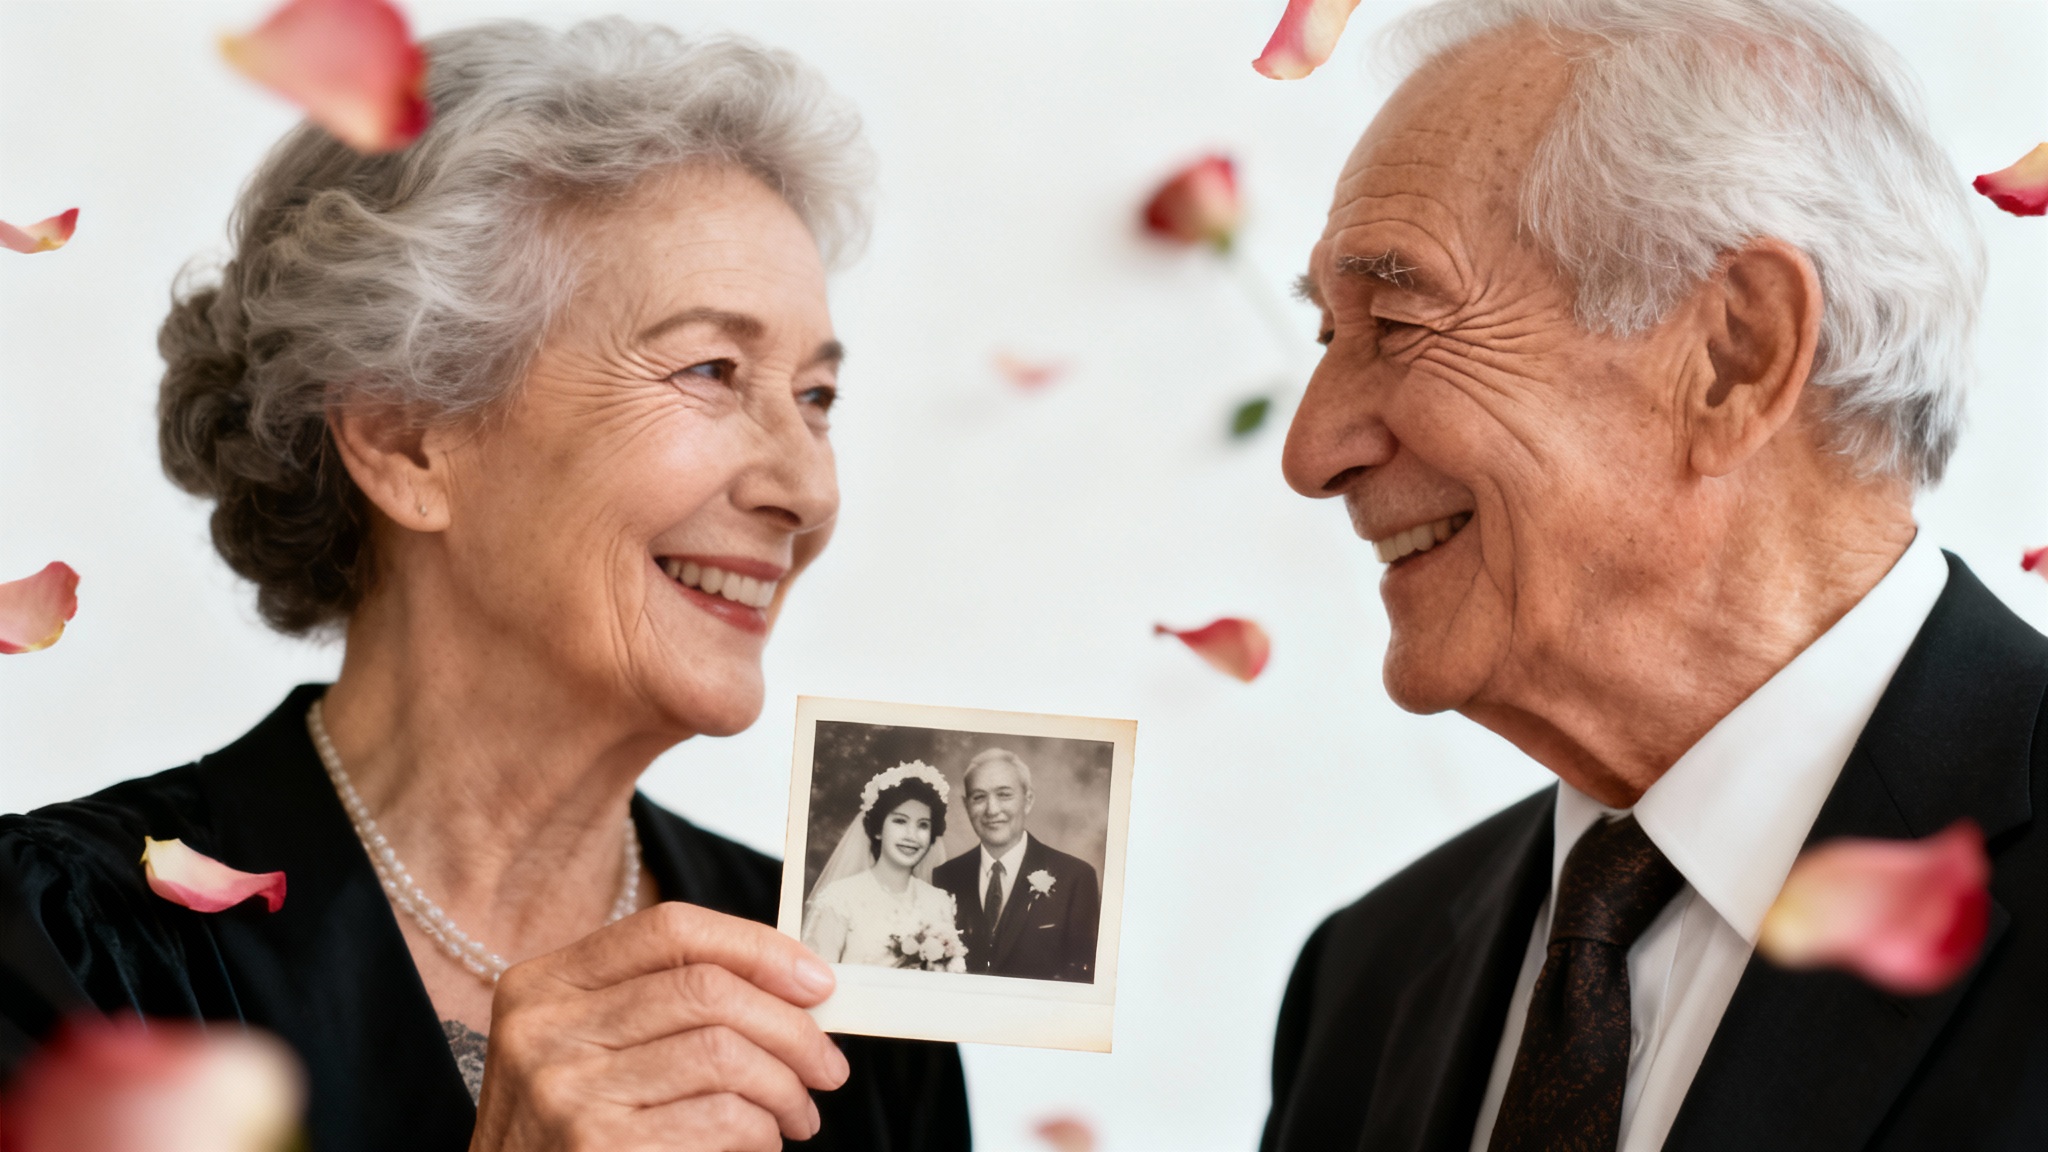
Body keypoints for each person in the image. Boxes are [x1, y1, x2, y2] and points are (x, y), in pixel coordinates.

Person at [0, 19, 967, 1152]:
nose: (807, 487)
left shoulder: (844, 985)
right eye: (710, 369)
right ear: (406, 440)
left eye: (815, 397)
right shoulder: (68, 942)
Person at [1262, 1, 2046, 1150]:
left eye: (1394, 315)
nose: (1310, 451)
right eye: (1327, 336)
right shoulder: (1365, 981)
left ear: (1735, 354)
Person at [931, 749, 1100, 982]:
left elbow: (1082, 980)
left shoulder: (1076, 878)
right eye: (979, 797)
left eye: (1004, 795)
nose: (992, 810)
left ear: (1028, 800)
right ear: (966, 804)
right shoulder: (945, 877)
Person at [802, 763, 967, 971]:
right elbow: (815, 978)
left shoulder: (939, 901)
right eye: (900, 821)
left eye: (923, 825)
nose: (912, 836)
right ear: (878, 829)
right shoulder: (839, 899)